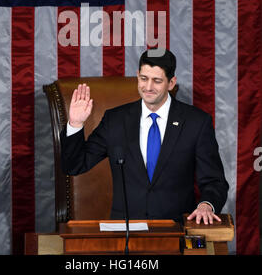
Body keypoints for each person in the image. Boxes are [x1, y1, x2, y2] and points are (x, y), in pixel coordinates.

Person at [60, 49, 228, 224]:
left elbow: (214, 181)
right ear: (137, 76)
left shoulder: (197, 122)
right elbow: (74, 165)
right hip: (125, 233)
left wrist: (206, 205)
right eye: (144, 78)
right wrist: (75, 124)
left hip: (176, 230)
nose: (148, 87)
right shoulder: (115, 120)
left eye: (157, 81)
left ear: (171, 83)